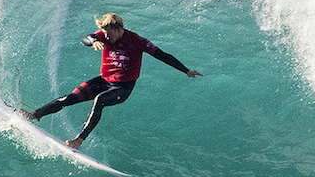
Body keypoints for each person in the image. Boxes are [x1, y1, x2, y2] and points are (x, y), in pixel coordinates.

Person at [20, 13, 202, 149]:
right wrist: (93, 41)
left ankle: (78, 140)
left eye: (109, 35)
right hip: (104, 80)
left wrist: (186, 71)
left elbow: (163, 55)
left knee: (100, 100)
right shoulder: (103, 35)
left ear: (119, 29)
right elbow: (86, 38)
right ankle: (34, 115)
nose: (106, 38)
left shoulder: (137, 41)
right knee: (69, 98)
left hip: (122, 88)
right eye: (104, 35)